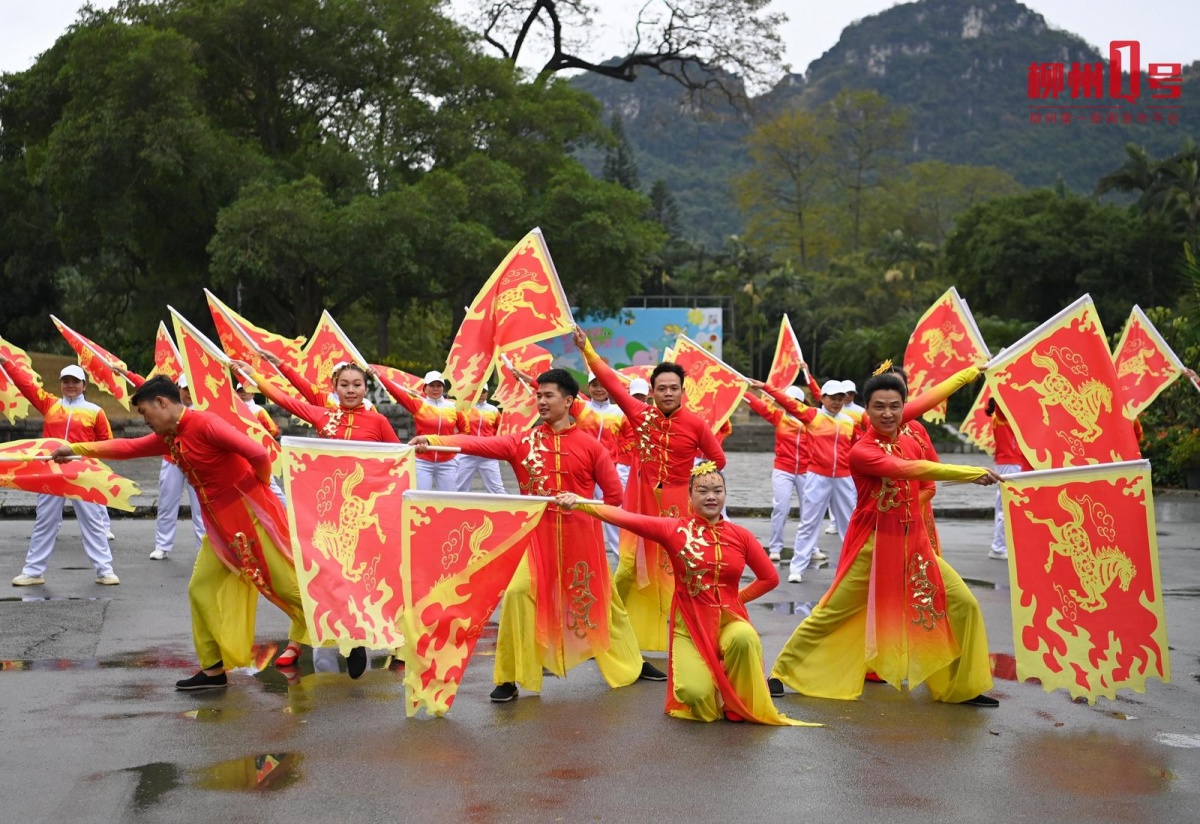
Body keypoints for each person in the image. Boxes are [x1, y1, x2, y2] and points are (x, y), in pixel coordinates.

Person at [50, 377, 365, 689]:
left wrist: (259, 488)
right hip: (218, 527)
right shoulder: (169, 436)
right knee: (200, 589)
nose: (145, 421)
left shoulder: (206, 424)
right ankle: (213, 670)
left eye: (145, 413)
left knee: (287, 586)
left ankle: (351, 632)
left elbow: (258, 454)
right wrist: (75, 449)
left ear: (162, 403)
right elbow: (128, 447)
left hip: (250, 516)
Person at [411, 367, 665, 702]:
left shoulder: (592, 448)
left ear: (568, 401)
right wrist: (435, 441)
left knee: (603, 604)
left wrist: (583, 504)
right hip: (534, 540)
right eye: (539, 396)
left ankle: (632, 663)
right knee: (517, 593)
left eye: (548, 396)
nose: (541, 401)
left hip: (581, 540)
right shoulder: (523, 442)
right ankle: (508, 677)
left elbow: (614, 497)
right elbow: (479, 443)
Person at [768, 372, 1001, 707]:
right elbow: (913, 470)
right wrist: (970, 473)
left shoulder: (906, 431)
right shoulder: (862, 451)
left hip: (915, 546)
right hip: (874, 549)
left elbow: (929, 399)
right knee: (831, 612)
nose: (888, 413)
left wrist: (970, 373)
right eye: (879, 407)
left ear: (903, 408)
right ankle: (782, 672)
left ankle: (962, 686)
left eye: (895, 406)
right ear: (866, 410)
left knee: (965, 605)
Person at [556, 464, 814, 726]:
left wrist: (736, 600)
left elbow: (770, 578)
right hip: (689, 625)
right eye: (702, 491)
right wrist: (581, 503)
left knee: (744, 637)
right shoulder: (674, 530)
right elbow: (626, 519)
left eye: (717, 490)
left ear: (725, 495)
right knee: (694, 694)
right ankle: (714, 686)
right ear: (689, 497)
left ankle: (736, 698)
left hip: (728, 622)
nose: (711, 496)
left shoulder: (741, 536)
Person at [574, 327, 726, 652]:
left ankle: (689, 634)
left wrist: (695, 480)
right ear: (653, 392)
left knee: (679, 570)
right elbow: (612, 383)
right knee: (628, 568)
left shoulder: (696, 424)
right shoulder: (640, 415)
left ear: (683, 391)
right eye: (662, 388)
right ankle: (607, 629)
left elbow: (718, 459)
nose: (668, 393)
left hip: (678, 508)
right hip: (640, 504)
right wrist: (587, 349)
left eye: (674, 388)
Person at [1, 357, 119, 586]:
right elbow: (27, 386)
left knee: (93, 522)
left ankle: (105, 570)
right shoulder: (50, 405)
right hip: (51, 472)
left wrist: (93, 465)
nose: (70, 385)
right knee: (45, 521)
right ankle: (33, 572)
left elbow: (107, 445)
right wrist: (6, 362)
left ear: (84, 385)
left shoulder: (96, 412)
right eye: (66, 381)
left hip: (82, 473)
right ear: (61, 384)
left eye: (75, 381)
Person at [754, 378, 856, 583]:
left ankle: (853, 568)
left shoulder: (849, 421)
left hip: (844, 477)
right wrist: (765, 387)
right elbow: (787, 402)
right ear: (822, 398)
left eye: (840, 398)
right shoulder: (813, 416)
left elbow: (855, 448)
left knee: (850, 524)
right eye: (832, 398)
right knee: (809, 522)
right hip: (818, 476)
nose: (837, 402)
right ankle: (797, 568)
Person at [114, 367, 207, 560]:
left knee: (200, 507)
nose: (189, 393)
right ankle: (163, 545)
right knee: (167, 503)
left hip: (196, 462)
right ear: (178, 389)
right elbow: (145, 386)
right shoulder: (166, 404)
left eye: (192, 388)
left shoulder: (204, 408)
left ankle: (204, 548)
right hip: (172, 460)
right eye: (185, 389)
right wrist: (127, 374)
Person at [744, 385, 809, 563]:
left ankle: (811, 547)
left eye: (794, 401)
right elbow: (758, 404)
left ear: (802, 402)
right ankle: (775, 547)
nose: (789, 404)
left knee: (809, 511)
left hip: (806, 470)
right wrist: (742, 391)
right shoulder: (779, 417)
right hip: (783, 469)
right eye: (787, 400)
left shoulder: (811, 420)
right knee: (781, 507)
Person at [376, 369, 458, 490]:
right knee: (420, 498)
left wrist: (458, 452)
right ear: (425, 388)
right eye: (432, 385)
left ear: (443, 388)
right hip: (423, 460)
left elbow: (465, 430)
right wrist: (380, 376)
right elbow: (396, 392)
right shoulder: (418, 404)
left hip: (448, 461)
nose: (435, 389)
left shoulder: (453, 406)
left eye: (439, 385)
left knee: (449, 499)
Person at [986, 397, 1032, 561]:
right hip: (1009, 463)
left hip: (1012, 463)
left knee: (1010, 505)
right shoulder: (1002, 415)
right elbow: (1002, 394)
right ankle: (998, 547)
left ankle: (1006, 545)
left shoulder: (1009, 418)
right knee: (1007, 506)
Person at [453, 386, 506, 494]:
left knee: (497, 489)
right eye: (478, 391)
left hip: (487, 453)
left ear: (487, 393)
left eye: (484, 391)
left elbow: (500, 430)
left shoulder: (493, 410)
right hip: (467, 452)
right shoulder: (464, 408)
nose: (481, 394)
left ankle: (503, 505)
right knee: (459, 488)